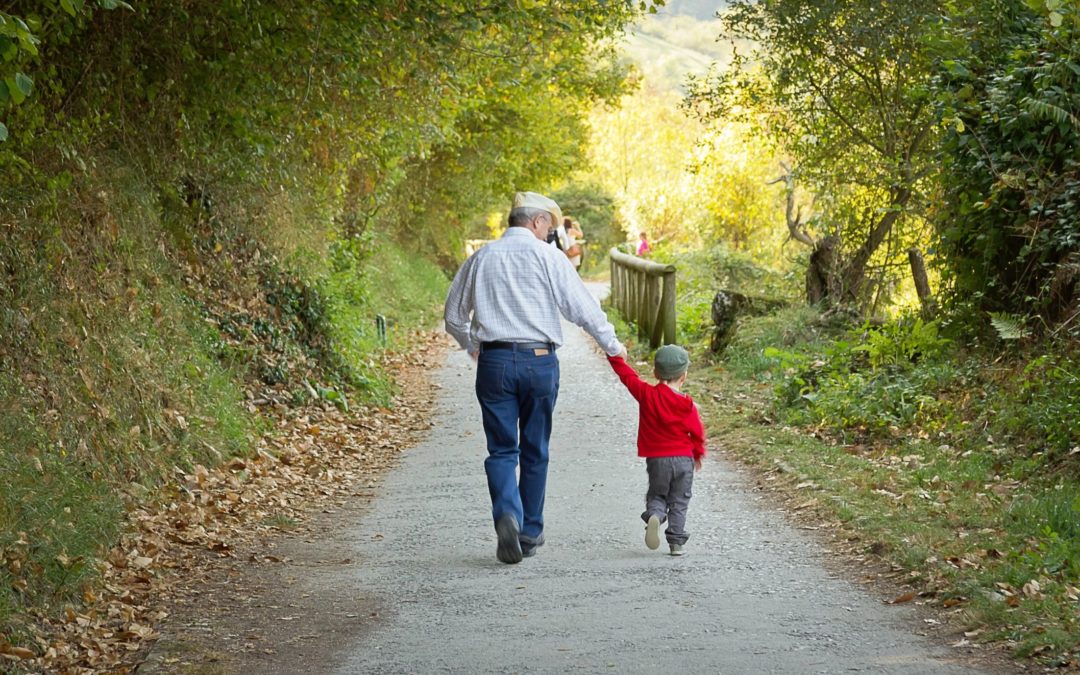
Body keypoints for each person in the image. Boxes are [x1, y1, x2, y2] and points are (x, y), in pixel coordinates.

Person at [445, 191, 627, 564]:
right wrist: (612, 346)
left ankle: (507, 514)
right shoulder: (549, 258)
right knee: (535, 447)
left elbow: (453, 316)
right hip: (540, 361)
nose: (550, 233)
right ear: (537, 221)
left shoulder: (481, 257)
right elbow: (582, 309)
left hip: (494, 361)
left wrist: (472, 345)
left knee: (501, 450)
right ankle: (529, 531)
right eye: (550, 226)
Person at [607, 344, 706, 556]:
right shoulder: (687, 404)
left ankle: (655, 515)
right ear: (684, 376)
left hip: (657, 459)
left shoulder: (646, 394)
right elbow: (697, 432)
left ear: (655, 373)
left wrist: (613, 354)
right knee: (680, 500)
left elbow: (627, 377)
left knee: (657, 494)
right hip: (683, 459)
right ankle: (676, 544)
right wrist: (697, 454)